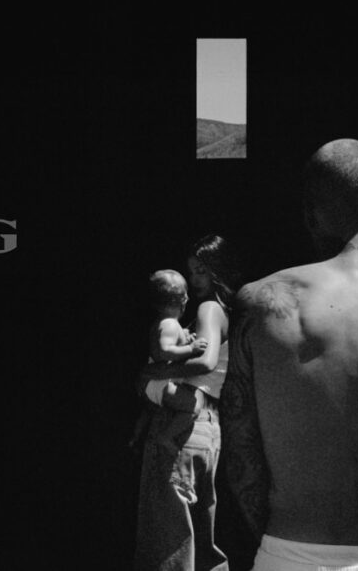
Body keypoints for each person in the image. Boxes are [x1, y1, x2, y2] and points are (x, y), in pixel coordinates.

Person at [220, 139, 358, 571]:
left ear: (309, 214)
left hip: (293, 551)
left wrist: (283, 549)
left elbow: (241, 454)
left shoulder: (261, 303)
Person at [134, 235, 240, 571]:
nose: (193, 280)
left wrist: (153, 372)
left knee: (168, 542)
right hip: (207, 424)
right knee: (199, 543)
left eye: (201, 272)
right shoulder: (225, 312)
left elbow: (206, 362)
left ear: (218, 271)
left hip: (186, 420)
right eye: (191, 271)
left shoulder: (208, 309)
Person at [130, 269, 210, 454]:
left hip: (152, 383)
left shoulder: (163, 323)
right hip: (160, 383)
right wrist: (191, 348)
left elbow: (169, 344)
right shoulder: (170, 324)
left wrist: (185, 338)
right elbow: (165, 351)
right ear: (182, 300)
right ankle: (167, 436)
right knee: (193, 407)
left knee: (149, 411)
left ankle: (135, 437)